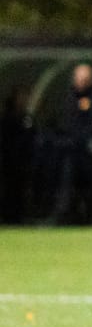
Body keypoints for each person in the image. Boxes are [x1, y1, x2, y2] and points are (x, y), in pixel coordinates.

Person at [51, 63, 92, 224]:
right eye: (79, 79)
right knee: (66, 186)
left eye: (85, 79)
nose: (81, 82)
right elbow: (65, 123)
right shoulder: (69, 98)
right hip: (72, 152)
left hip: (90, 153)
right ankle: (62, 218)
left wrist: (84, 139)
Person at [1, 85, 38, 224]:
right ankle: (10, 217)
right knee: (11, 189)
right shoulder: (9, 117)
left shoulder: (26, 117)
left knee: (20, 189)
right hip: (11, 159)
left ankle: (18, 216)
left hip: (23, 159)